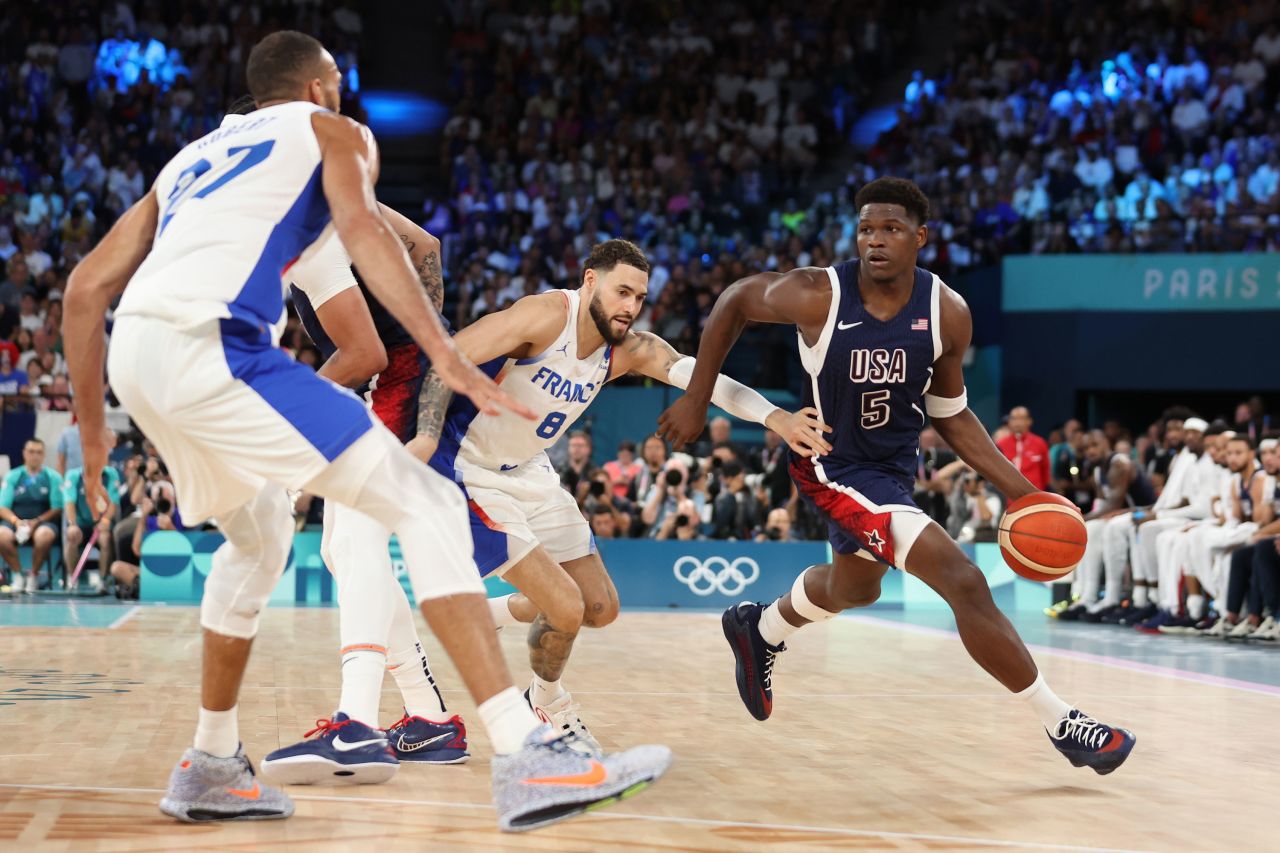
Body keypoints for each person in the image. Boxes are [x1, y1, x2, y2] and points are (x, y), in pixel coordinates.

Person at [63, 31, 670, 832]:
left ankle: (211, 761)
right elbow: (373, 236)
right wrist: (449, 357)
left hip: (137, 355)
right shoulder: (335, 133)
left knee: (258, 538)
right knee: (421, 499)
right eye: (340, 84)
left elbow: (83, 288)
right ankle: (526, 756)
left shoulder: (192, 159)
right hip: (221, 346)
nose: (345, 95)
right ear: (319, 89)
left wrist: (95, 436)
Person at [658, 176, 1136, 774]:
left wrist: (1026, 494)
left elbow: (952, 415)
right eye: (866, 229)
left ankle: (761, 627)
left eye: (891, 229)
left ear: (921, 238)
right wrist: (698, 397)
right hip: (829, 464)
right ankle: (1063, 722)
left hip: (891, 471)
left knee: (857, 588)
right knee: (962, 579)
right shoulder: (817, 295)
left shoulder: (947, 313)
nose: (875, 241)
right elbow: (733, 301)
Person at [409, 238, 831, 752]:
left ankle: (490, 614)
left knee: (600, 607)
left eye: (639, 297)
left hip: (529, 471)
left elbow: (704, 379)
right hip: (467, 467)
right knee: (564, 608)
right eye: (622, 292)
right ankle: (547, 704)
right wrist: (426, 437)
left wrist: (777, 417)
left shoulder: (628, 349)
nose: (631, 306)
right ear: (590, 281)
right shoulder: (543, 317)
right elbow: (445, 357)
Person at [264, 198, 478, 780]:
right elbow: (428, 246)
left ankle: (355, 723)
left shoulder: (307, 232)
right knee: (340, 549)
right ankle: (428, 716)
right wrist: (426, 325)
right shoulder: (336, 196)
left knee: (357, 541)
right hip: (404, 372)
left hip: (399, 377)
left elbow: (364, 353)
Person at [0, 438, 62, 593]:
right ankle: (17, 574)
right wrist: (16, 522)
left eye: (39, 452)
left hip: (42, 522)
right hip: (16, 522)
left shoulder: (52, 477)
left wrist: (37, 521)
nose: (35, 456)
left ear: (43, 455)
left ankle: (33, 576)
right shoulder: (13, 476)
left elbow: (57, 508)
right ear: (24, 453)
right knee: (1, 535)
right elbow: (2, 507)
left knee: (45, 536)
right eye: (31, 452)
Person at [62, 455, 121, 593]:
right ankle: (72, 578)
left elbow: (113, 502)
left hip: (102, 524)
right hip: (81, 523)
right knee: (71, 535)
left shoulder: (111, 474)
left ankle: (103, 580)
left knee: (105, 540)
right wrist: (72, 524)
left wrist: (105, 520)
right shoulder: (73, 475)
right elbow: (69, 502)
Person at [997, 406, 1051, 491]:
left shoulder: (1040, 443)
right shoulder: (1001, 444)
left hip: (1034, 496)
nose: (1017, 423)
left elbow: (1045, 473)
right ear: (1009, 422)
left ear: (1029, 421)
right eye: (1014, 419)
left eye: (1021, 418)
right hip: (1008, 496)